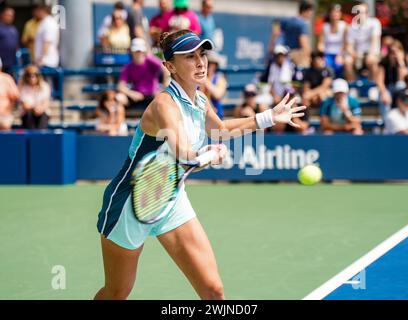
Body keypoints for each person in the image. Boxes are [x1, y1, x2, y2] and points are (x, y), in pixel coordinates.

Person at [94, 29, 306, 300]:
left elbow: (220, 129)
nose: (200, 62)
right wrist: (209, 155)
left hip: (170, 199)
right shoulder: (164, 106)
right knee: (117, 292)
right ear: (170, 66)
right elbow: (184, 155)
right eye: (190, 57)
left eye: (202, 55)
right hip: (131, 205)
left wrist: (267, 117)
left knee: (213, 290)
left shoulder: (200, 100)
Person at [118, 38, 166, 108]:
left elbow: (166, 69)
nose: (138, 53)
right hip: (137, 94)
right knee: (119, 98)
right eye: (136, 51)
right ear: (132, 52)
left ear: (144, 51)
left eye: (140, 51)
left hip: (152, 95)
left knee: (162, 98)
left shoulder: (150, 61)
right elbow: (120, 86)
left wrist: (163, 89)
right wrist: (132, 93)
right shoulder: (128, 66)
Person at [344, 1, 381, 81]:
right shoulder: (352, 27)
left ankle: (373, 86)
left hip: (372, 53)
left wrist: (370, 54)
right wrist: (355, 55)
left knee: (372, 61)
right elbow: (349, 46)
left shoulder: (374, 23)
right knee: (347, 61)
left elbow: (374, 41)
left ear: (367, 13)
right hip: (358, 54)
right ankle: (353, 85)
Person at [376, 40, 408, 118]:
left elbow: (404, 79)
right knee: (383, 98)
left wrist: (400, 61)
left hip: (401, 89)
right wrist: (384, 93)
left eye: (397, 51)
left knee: (400, 86)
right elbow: (380, 81)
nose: (394, 54)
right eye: (392, 52)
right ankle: (387, 121)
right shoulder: (384, 62)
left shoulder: (404, 62)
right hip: (387, 88)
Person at [278, 0, 314, 68]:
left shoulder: (287, 21)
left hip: (285, 54)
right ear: (306, 10)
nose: (311, 14)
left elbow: (277, 33)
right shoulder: (303, 24)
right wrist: (309, 56)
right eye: (310, 11)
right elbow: (303, 42)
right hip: (298, 55)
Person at [317, 4, 347, 78]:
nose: (335, 14)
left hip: (340, 54)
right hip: (327, 54)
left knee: (339, 65)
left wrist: (340, 55)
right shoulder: (325, 27)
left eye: (337, 12)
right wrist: (321, 54)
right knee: (324, 65)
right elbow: (321, 43)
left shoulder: (344, 26)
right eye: (333, 12)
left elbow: (346, 43)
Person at [18, 65, 51, 129]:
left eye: (35, 75)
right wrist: (34, 108)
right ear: (26, 76)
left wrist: (39, 109)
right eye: (29, 75)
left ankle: (41, 135)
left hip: (42, 113)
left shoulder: (45, 86)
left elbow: (46, 103)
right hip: (28, 114)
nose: (32, 77)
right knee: (29, 114)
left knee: (43, 115)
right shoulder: (22, 88)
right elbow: (25, 105)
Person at [200, 51, 227, 119]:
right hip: (200, 116)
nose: (205, 65)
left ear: (215, 65)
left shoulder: (220, 79)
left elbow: (218, 95)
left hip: (216, 118)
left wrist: (204, 79)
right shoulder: (196, 79)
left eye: (208, 63)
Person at [0, 58, 19, 130]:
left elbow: (15, 97)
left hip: (4, 115)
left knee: (5, 124)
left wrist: (7, 111)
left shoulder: (7, 78)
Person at [0, 6, 19, 75]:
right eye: (8, 15)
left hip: (11, 62)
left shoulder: (13, 29)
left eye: (12, 15)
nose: (10, 17)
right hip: (1, 62)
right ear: (2, 15)